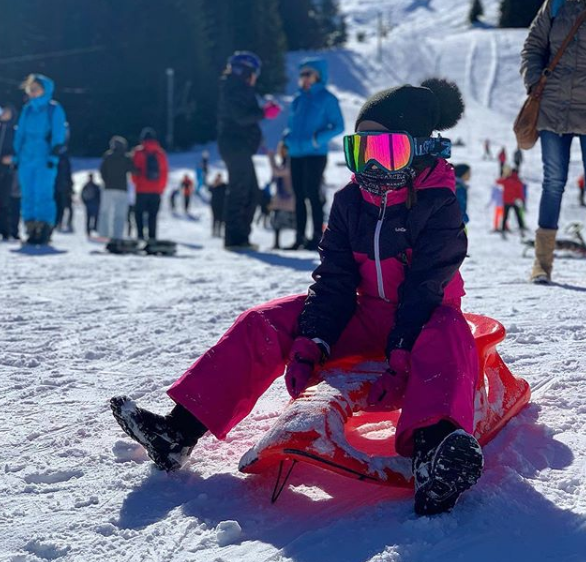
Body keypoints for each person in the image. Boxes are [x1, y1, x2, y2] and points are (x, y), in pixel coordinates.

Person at [111, 78, 484, 517]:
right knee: (265, 319)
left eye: (387, 153)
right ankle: (178, 431)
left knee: (449, 334)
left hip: (423, 320)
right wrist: (313, 339)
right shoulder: (350, 201)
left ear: (420, 152)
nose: (374, 168)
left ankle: (434, 455)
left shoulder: (438, 203)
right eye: (362, 152)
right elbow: (334, 280)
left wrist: (401, 352)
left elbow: (426, 286)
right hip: (365, 316)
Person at [521, 0, 586, 283]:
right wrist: (535, 82)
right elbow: (532, 47)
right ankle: (542, 264)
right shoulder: (557, 5)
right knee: (553, 181)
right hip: (552, 108)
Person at [217, 51, 281, 251]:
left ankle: (240, 236)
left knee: (252, 191)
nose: (255, 78)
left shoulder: (238, 88)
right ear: (244, 71)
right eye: (254, 73)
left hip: (239, 146)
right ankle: (235, 238)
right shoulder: (234, 88)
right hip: (235, 146)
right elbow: (241, 117)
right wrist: (264, 113)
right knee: (240, 190)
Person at [284, 58, 345, 251]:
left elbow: (339, 126)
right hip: (295, 153)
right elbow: (291, 125)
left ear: (318, 75)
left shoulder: (327, 98)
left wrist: (317, 139)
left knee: (312, 193)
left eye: (308, 73)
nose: (304, 78)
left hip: (315, 154)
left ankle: (317, 237)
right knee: (299, 195)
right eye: (302, 74)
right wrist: (287, 138)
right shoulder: (298, 99)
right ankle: (299, 237)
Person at [13, 74, 67, 245]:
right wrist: (16, 156)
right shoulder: (27, 109)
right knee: (27, 193)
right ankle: (30, 227)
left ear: (45, 89)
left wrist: (53, 155)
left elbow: (58, 134)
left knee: (43, 193)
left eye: (36, 88)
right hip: (26, 157)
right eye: (31, 89)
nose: (33, 92)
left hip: (44, 157)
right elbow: (20, 134)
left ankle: (44, 228)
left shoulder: (54, 109)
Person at [132, 128, 168, 241]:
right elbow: (164, 173)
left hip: (141, 189)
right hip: (156, 190)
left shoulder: (138, 152)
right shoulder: (160, 153)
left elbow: (134, 172)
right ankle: (152, 238)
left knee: (138, 214)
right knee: (153, 216)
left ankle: (140, 236)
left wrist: (137, 183)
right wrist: (160, 188)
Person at [99, 136, 134, 241]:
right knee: (119, 214)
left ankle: (103, 233)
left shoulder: (107, 156)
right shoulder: (126, 157)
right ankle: (117, 235)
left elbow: (102, 171)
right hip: (122, 188)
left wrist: (106, 181)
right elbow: (133, 170)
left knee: (105, 212)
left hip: (108, 188)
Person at [268, 143, 295, 249]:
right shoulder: (283, 162)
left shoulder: (290, 162)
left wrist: (271, 159)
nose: (281, 152)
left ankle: (297, 240)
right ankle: (276, 243)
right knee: (277, 222)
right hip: (280, 199)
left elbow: (278, 172)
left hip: (288, 198)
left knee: (291, 221)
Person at [0, 104, 16, 241]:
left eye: (7, 112)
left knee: (5, 202)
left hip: (7, 170)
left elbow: (18, 149)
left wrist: (12, 158)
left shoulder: (14, 131)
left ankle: (6, 231)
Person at [497, 169, 527, 237]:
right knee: (518, 216)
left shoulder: (506, 180)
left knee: (505, 216)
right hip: (515, 201)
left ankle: (503, 230)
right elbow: (521, 193)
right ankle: (521, 229)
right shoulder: (518, 181)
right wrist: (522, 200)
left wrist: (505, 176)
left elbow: (497, 181)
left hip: (506, 201)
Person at [54, 152, 74, 233]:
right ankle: (61, 222)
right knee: (62, 207)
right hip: (63, 186)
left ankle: (60, 223)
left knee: (60, 206)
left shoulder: (56, 157)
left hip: (60, 186)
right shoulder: (65, 158)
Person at [81, 173, 101, 237]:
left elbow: (82, 195)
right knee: (95, 217)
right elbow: (99, 195)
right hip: (94, 204)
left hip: (88, 204)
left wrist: (85, 202)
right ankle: (94, 228)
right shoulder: (96, 186)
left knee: (88, 218)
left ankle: (88, 230)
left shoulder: (86, 186)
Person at [209, 173, 227, 237]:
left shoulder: (224, 186)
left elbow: (228, 188)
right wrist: (215, 184)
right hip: (214, 204)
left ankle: (219, 232)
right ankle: (213, 232)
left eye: (220, 178)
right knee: (214, 218)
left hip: (222, 204)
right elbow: (209, 189)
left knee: (221, 219)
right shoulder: (213, 186)